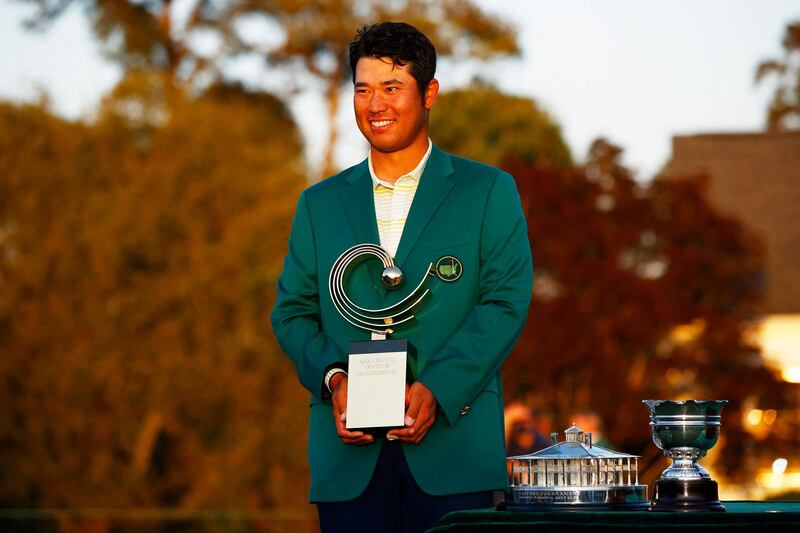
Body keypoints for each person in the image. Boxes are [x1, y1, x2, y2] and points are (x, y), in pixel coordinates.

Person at [271, 21, 532, 533]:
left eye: (392, 88)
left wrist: (438, 386)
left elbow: (505, 303)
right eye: (363, 89)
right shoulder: (318, 204)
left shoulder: (488, 191)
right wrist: (334, 379)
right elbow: (293, 311)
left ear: (429, 92)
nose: (375, 105)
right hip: (348, 464)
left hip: (455, 455)